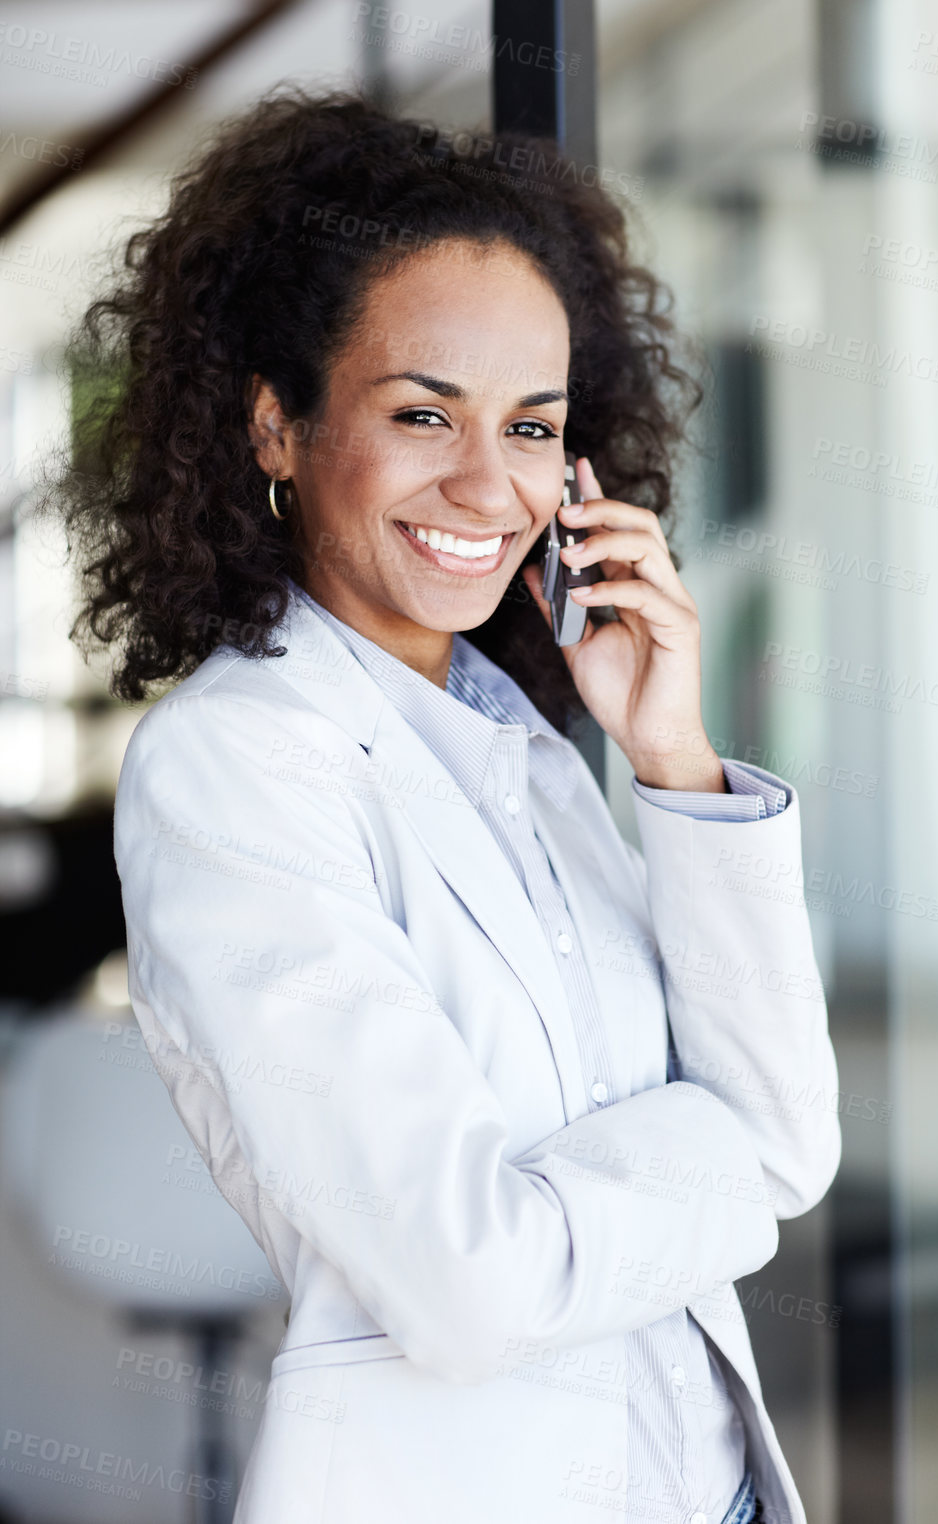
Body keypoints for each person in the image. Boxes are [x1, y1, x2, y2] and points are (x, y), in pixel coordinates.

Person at [62, 89, 840, 1524]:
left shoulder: (520, 745)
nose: (490, 483)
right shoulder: (240, 763)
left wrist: (667, 754)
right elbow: (475, 1284)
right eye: (423, 412)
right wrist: (731, 1171)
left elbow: (787, 1122)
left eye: (532, 427)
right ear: (275, 426)